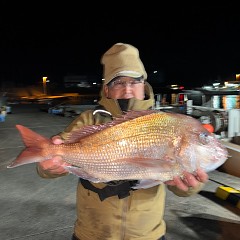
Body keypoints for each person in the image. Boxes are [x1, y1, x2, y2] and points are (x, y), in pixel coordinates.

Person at [37, 43, 209, 240]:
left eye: (135, 81)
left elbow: (180, 189)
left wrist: (190, 185)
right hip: (92, 233)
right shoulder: (88, 120)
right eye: (119, 82)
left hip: (147, 235)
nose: (128, 89)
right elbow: (55, 157)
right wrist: (47, 167)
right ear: (107, 90)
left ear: (144, 86)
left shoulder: (164, 123)